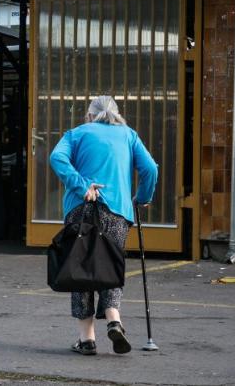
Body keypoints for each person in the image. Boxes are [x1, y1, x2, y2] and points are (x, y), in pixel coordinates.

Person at [49, 96, 158, 356]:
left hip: (81, 207)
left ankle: (87, 340)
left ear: (89, 115)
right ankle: (114, 320)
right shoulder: (128, 135)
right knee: (109, 264)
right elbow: (150, 169)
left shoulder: (76, 134)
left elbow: (57, 158)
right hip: (117, 212)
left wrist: (82, 184)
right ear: (117, 115)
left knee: (80, 268)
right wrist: (142, 198)